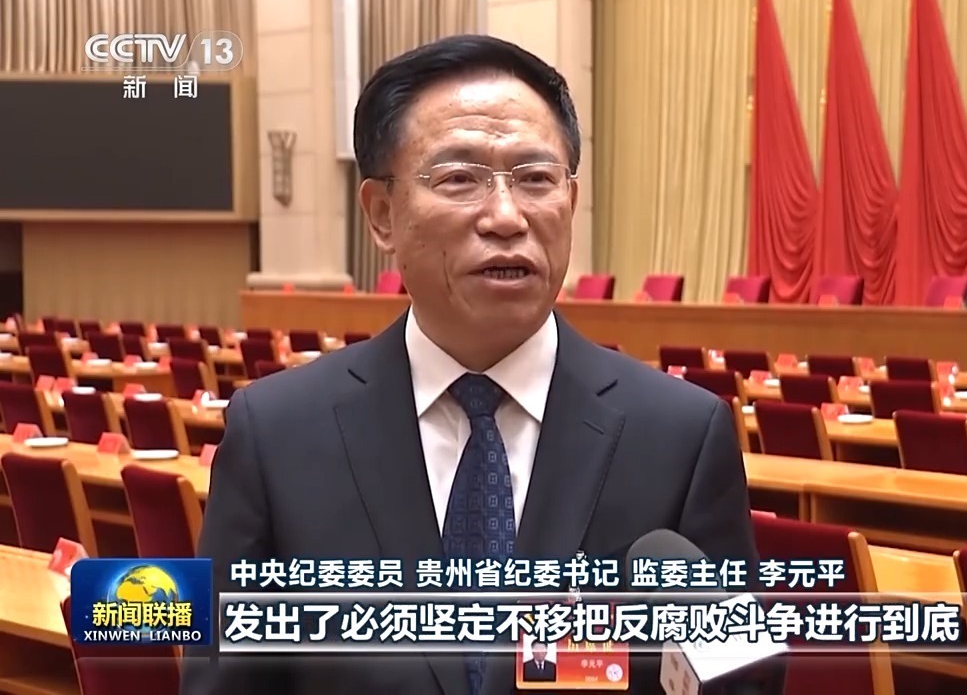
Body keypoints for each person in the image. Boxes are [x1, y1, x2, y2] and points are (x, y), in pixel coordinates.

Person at [181, 34, 762, 695]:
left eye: (536, 179)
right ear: (381, 215)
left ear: (571, 204)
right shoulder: (277, 434)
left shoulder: (681, 437)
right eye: (460, 179)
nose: (507, 217)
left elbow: (739, 682)